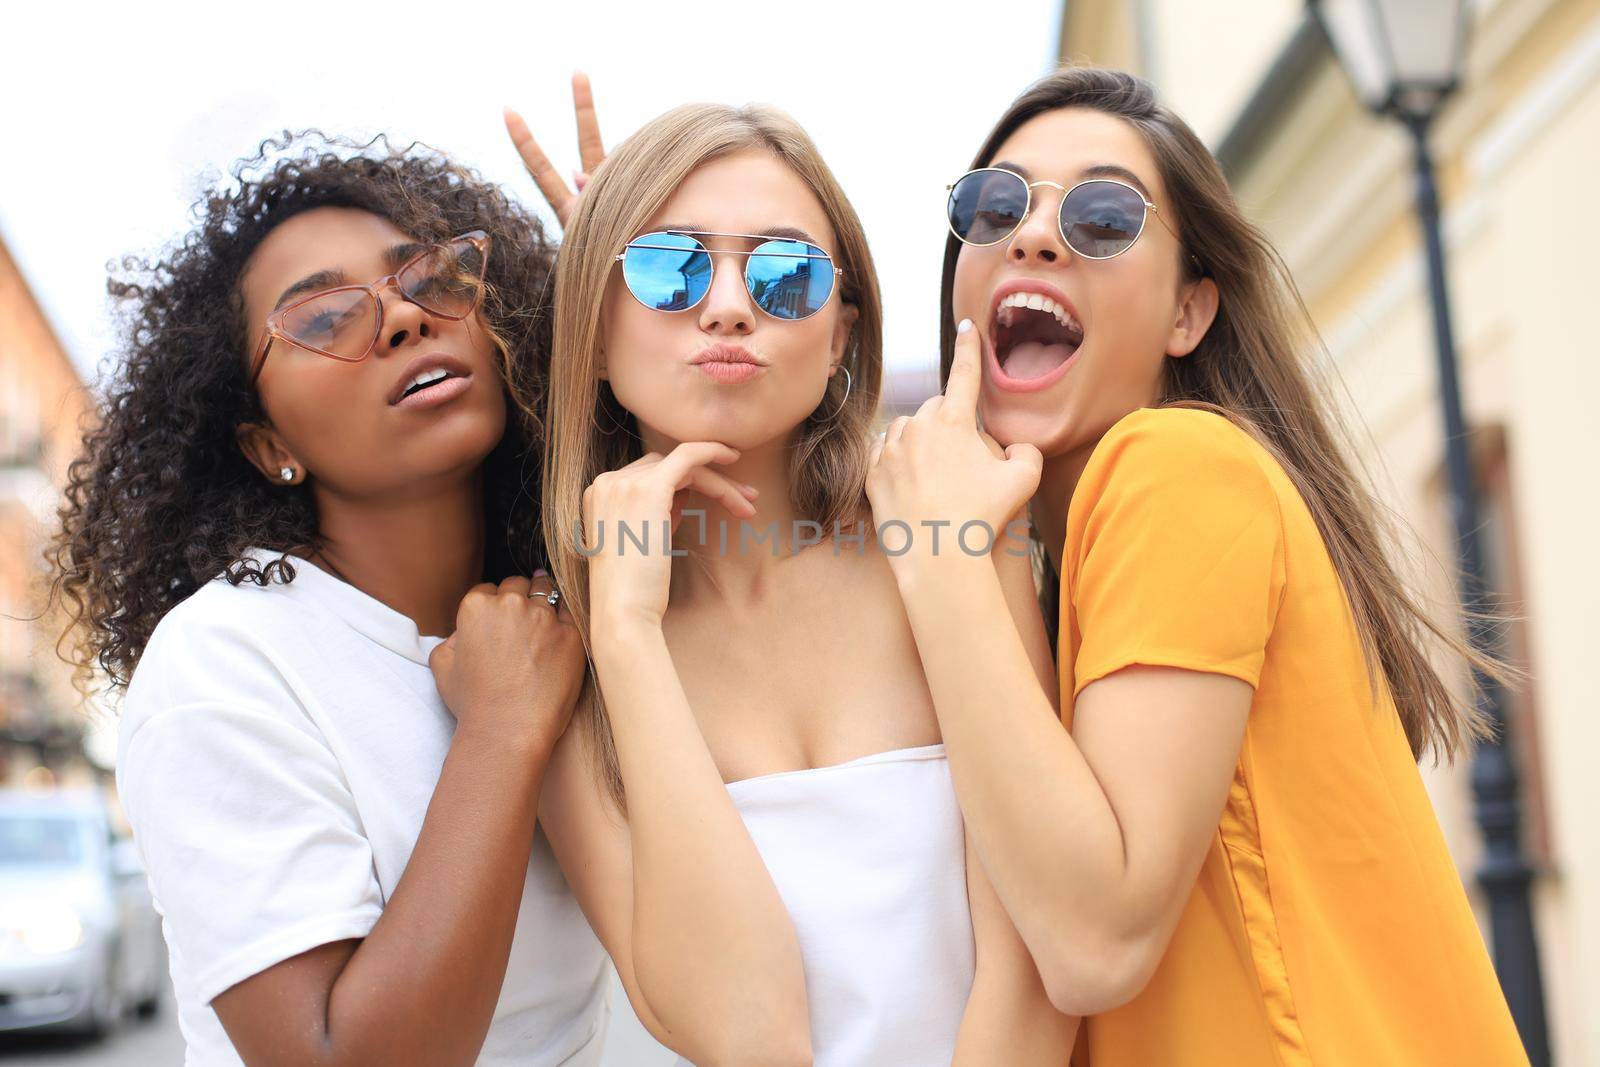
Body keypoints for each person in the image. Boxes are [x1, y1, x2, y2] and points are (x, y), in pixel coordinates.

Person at [866, 65, 1530, 1065]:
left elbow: (1094, 939)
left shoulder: (1175, 466)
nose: (1033, 234)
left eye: (1102, 214)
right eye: (995, 203)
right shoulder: (1043, 571)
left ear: (1188, 313)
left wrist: (940, 557)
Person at [515, 97, 1075, 1065]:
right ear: (593, 334)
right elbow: (747, 1031)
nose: (727, 302)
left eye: (782, 273)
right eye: (666, 266)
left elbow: (1035, 964)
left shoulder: (950, 534)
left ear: (842, 334)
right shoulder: (568, 675)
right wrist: (629, 636)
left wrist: (644, 274)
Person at [48, 133, 610, 1066]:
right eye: (320, 320)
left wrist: (627, 291)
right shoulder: (224, 660)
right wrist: (504, 729)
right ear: (266, 443)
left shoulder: (570, 614)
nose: (400, 319)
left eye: (434, 279)